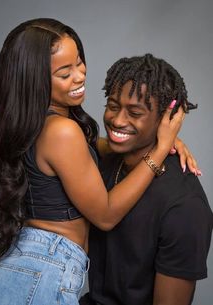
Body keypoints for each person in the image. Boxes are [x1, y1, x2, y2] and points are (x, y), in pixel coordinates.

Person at [0, 18, 198, 305]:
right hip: (38, 276)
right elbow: (105, 216)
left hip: (21, 270)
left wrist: (156, 137)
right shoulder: (61, 131)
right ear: (35, 78)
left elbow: (104, 147)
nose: (80, 76)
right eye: (64, 72)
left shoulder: (40, 124)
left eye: (79, 62)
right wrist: (162, 148)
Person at [80, 54, 213, 305]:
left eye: (135, 112)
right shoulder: (105, 160)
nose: (117, 120)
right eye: (113, 105)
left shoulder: (185, 206)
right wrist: (163, 145)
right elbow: (68, 140)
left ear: (167, 119)